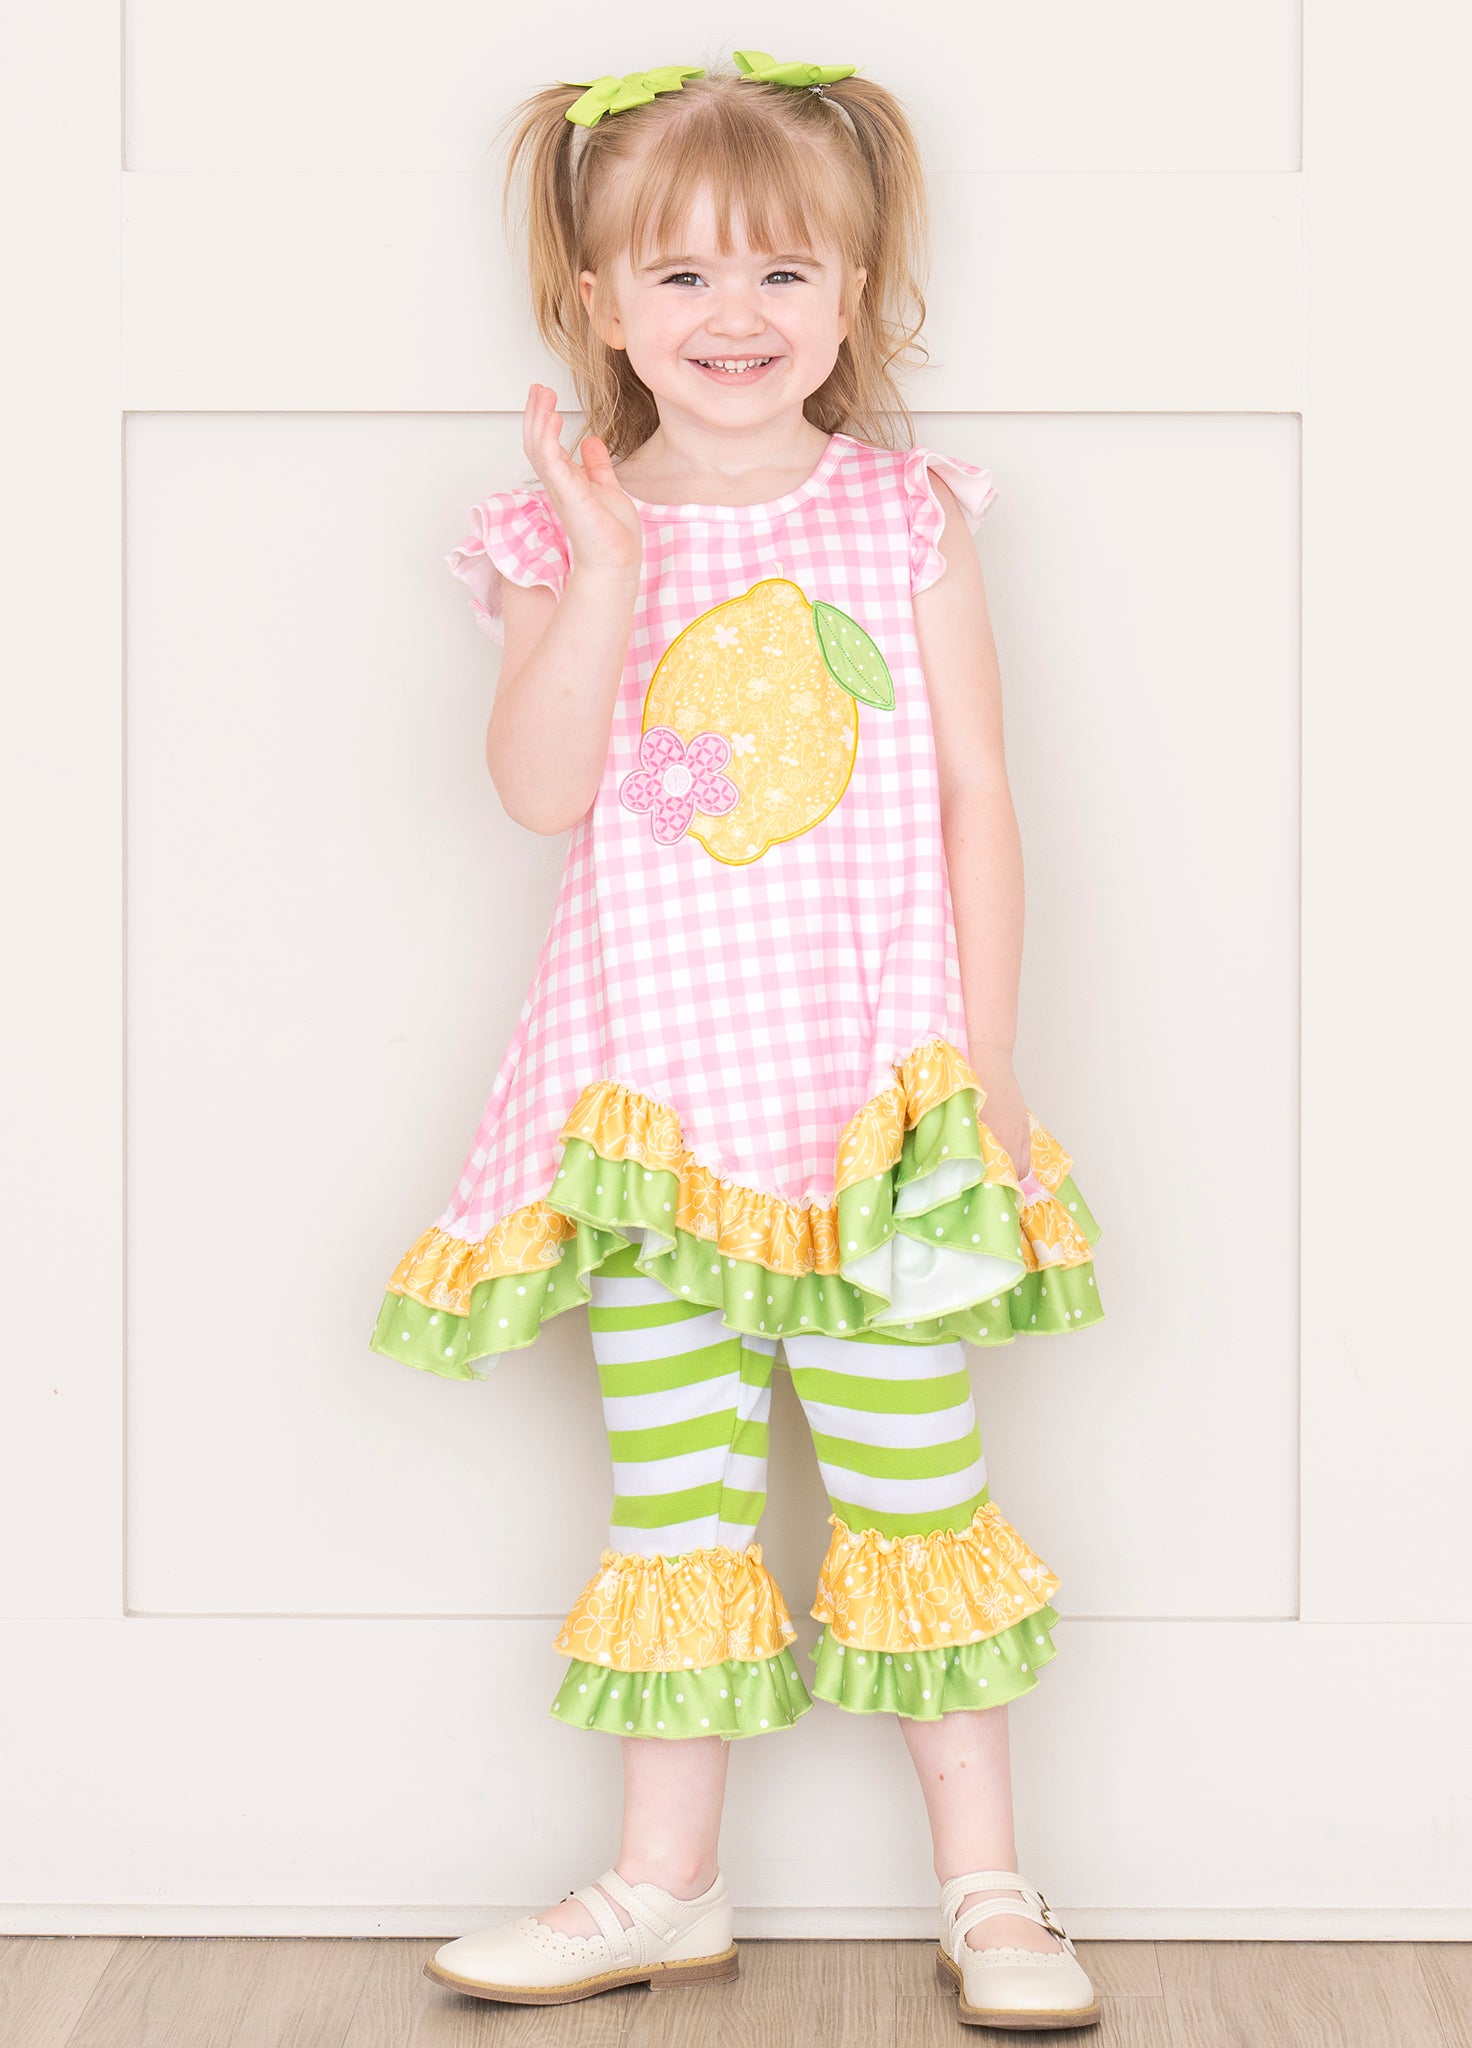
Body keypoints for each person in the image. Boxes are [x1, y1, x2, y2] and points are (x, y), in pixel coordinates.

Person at [372, 49, 1105, 2031]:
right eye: (681, 276)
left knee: (916, 1488)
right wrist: (607, 561)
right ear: (599, 304)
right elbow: (540, 790)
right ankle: (660, 1885)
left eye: (784, 272)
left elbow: (978, 796)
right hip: (660, 1122)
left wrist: (989, 1073)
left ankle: (992, 1889)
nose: (735, 316)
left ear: (854, 295)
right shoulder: (559, 535)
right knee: (677, 1501)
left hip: (872, 1112)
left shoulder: (903, 516)